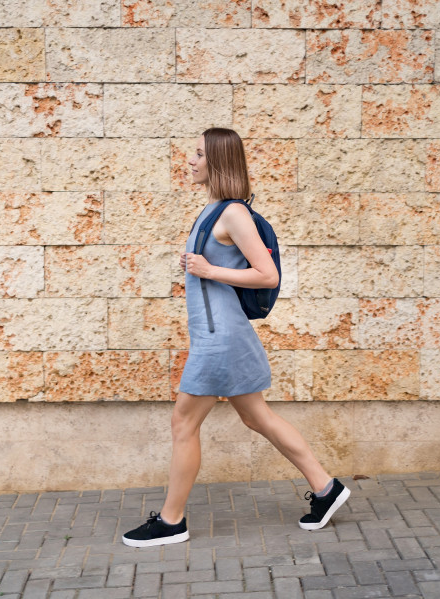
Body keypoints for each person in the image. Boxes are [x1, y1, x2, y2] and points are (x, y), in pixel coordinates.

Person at [121, 128, 350, 548]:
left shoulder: (233, 214)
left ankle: (172, 521)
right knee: (256, 416)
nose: (190, 160)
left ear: (219, 163)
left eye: (198, 154)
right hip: (220, 335)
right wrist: (200, 266)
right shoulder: (213, 211)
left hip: (219, 340)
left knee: (183, 423)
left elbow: (268, 275)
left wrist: (209, 270)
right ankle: (326, 488)